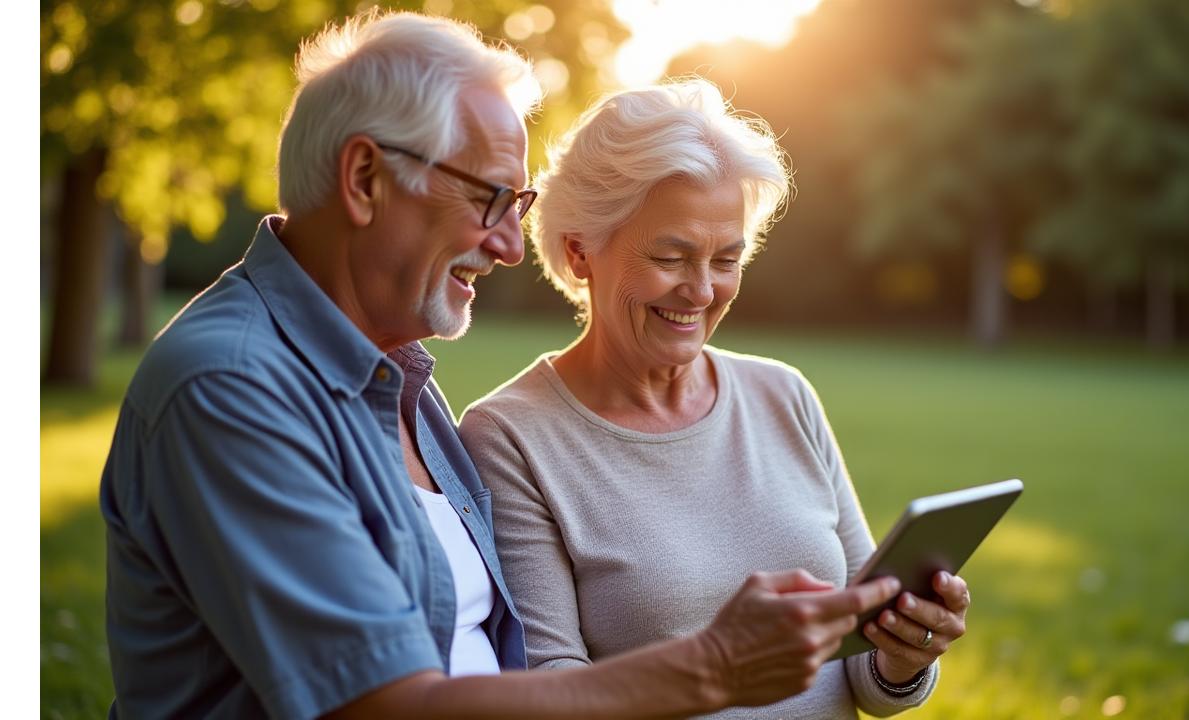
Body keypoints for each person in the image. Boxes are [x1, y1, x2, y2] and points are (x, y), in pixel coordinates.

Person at [98, 11, 908, 720]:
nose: (511, 245)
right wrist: (715, 667)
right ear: (365, 179)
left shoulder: (399, 382)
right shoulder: (232, 387)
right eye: (488, 199)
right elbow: (377, 705)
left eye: (515, 208)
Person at [457, 80, 973, 718]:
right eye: (671, 256)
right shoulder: (509, 436)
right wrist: (716, 668)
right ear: (579, 251)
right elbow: (552, 689)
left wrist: (903, 656)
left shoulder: (784, 395)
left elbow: (865, 665)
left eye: (726, 260)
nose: (700, 291)